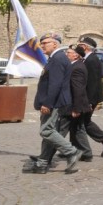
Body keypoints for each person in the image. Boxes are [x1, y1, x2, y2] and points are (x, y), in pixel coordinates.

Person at [26, 34, 82, 175]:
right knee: (49, 132)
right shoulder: (55, 58)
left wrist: (47, 103)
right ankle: (43, 162)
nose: (42, 45)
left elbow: (55, 84)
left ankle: (71, 151)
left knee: (46, 131)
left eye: (45, 43)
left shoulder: (57, 59)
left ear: (55, 44)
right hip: (54, 101)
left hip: (53, 102)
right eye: (41, 43)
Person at [78, 37, 103, 157]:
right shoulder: (87, 59)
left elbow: (93, 82)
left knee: (83, 122)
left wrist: (89, 101)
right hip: (88, 98)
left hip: (90, 98)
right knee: (83, 122)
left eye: (80, 45)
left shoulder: (92, 60)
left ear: (85, 47)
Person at [65, 44, 94, 161]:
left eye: (68, 53)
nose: (66, 55)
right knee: (76, 128)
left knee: (77, 129)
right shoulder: (74, 66)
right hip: (76, 104)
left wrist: (76, 108)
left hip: (77, 104)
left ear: (76, 55)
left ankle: (85, 153)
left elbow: (78, 89)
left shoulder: (77, 68)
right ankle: (81, 151)